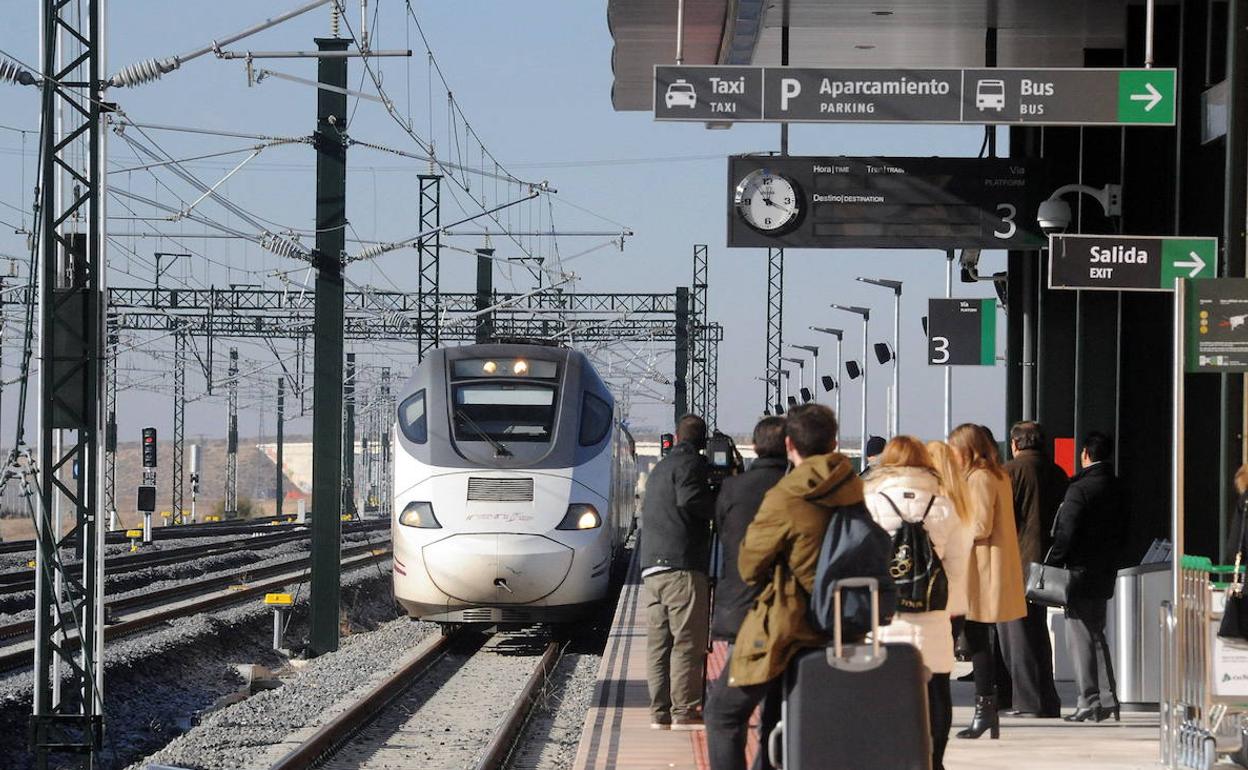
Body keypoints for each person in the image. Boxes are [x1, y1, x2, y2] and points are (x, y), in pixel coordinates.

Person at [706, 403, 874, 770]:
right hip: (842, 625)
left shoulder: (787, 495)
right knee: (781, 714)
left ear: (789, 445)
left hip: (787, 624)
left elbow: (750, 566)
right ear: (833, 442)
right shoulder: (854, 486)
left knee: (722, 713)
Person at [863, 436, 970, 770]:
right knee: (937, 687)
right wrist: (945, 605)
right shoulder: (943, 505)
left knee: (882, 691)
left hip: (884, 616)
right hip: (931, 615)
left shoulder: (870, 502)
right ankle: (933, 760)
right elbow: (956, 567)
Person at [948, 423, 1027, 740]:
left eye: (954, 447)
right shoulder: (997, 475)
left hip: (978, 568)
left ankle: (984, 711)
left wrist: (949, 530)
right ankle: (986, 711)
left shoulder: (979, 478)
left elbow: (980, 524)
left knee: (974, 637)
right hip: (984, 566)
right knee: (977, 638)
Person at [640, 414, 716, 730]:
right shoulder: (692, 464)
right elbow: (690, 499)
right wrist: (718, 506)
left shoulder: (660, 467)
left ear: (676, 435)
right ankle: (684, 711)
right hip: (681, 567)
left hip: (652, 569)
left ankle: (660, 713)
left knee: (659, 644)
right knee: (687, 641)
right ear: (703, 442)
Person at [1050, 431, 1125, 723]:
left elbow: (1066, 532)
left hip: (1079, 570)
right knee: (1096, 633)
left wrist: (1055, 562)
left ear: (1085, 455)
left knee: (1079, 635)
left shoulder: (1079, 489)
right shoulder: (1118, 487)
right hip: (1105, 570)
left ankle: (1089, 700)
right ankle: (1108, 700)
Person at [999, 421, 1067, 718]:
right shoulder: (1057, 473)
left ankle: (1027, 701)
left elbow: (1002, 518)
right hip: (1046, 564)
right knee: (1038, 633)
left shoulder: (1010, 472)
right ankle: (1047, 699)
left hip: (1016, 563)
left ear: (1016, 444)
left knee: (1017, 637)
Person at [710, 416, 788, 643]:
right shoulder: (797, 486)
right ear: (789, 445)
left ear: (754, 446)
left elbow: (721, 531)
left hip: (738, 605)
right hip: (785, 609)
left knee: (737, 673)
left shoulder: (733, 488)